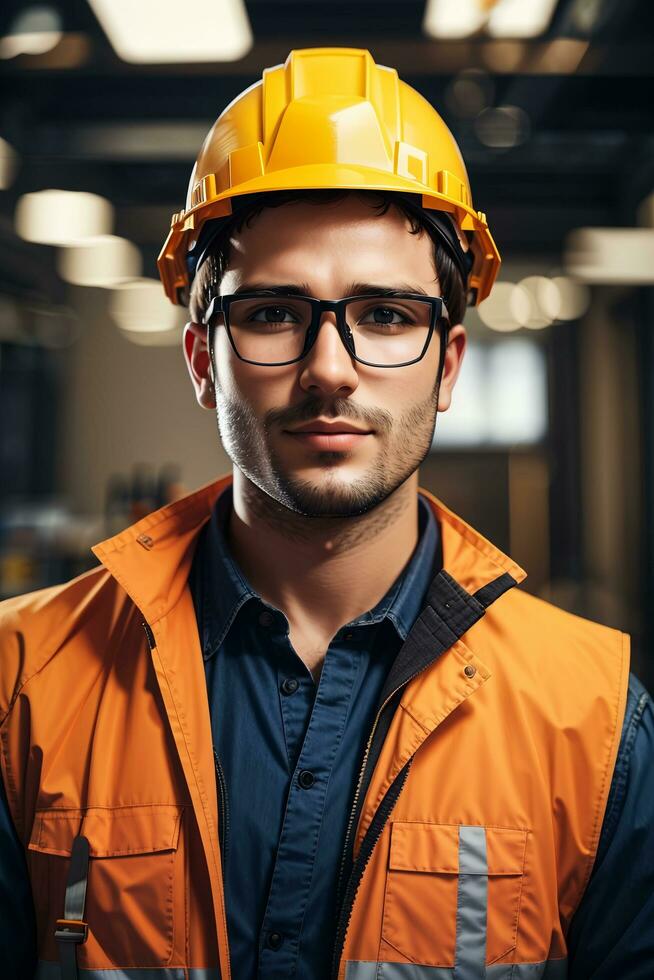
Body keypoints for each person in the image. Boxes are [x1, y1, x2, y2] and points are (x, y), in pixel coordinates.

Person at [1, 46, 653, 980]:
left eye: (386, 315)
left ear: (450, 363)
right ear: (201, 359)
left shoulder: (591, 720)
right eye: (272, 313)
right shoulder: (21, 684)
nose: (332, 368)